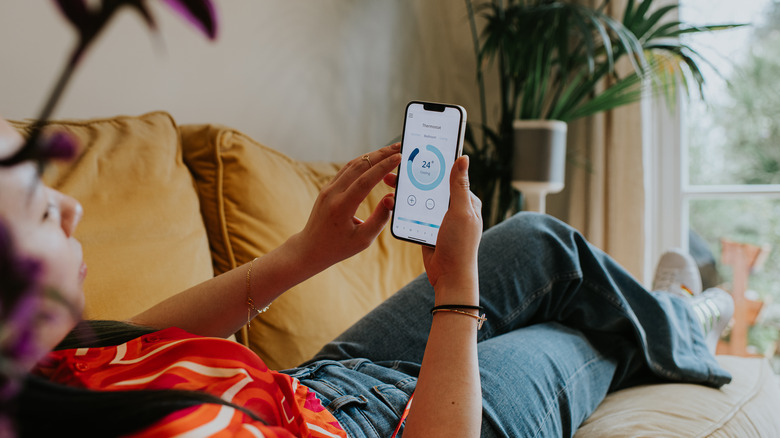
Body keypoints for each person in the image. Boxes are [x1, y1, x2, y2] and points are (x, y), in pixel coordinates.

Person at [0, 114, 733, 438]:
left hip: (316, 385)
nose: (72, 205)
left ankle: (671, 312)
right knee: (581, 335)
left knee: (541, 238)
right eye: (38, 209)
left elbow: (142, 341)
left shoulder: (47, 370)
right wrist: (456, 293)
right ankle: (688, 317)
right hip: (408, 427)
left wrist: (306, 253)